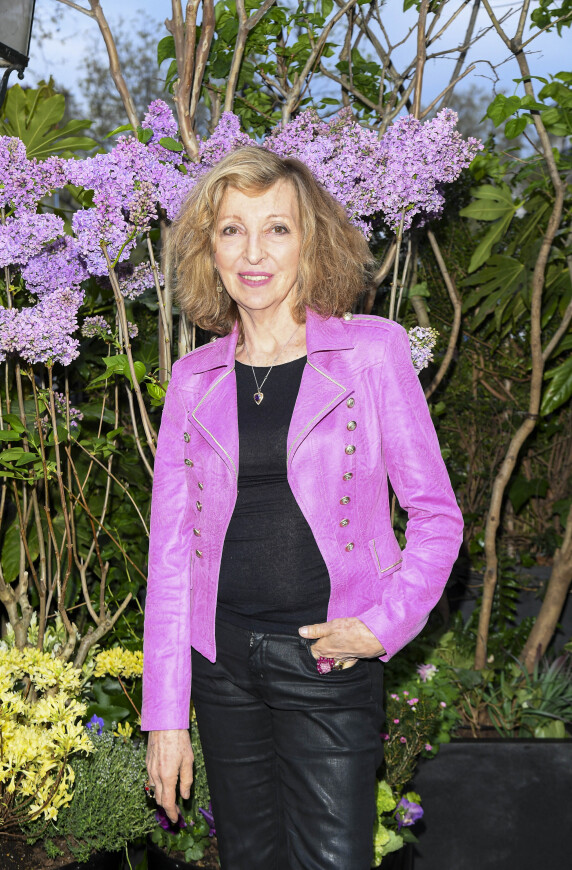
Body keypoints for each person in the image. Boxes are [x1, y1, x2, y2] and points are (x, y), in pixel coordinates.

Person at [142, 146, 463, 870]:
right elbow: (169, 560)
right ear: (209, 248)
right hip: (223, 667)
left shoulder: (371, 354)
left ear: (309, 240)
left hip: (327, 660)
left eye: (277, 229)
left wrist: (381, 629)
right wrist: (164, 718)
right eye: (232, 230)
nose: (254, 252)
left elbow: (437, 516)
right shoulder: (193, 380)